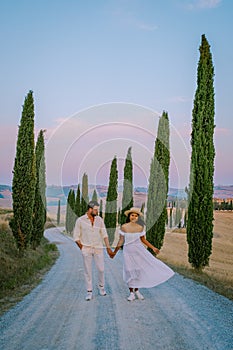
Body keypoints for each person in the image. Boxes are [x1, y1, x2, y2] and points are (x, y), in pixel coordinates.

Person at [112, 207, 174, 301]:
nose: (134, 217)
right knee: (129, 270)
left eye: (136, 216)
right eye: (132, 215)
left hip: (138, 250)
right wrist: (114, 252)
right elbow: (121, 240)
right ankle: (131, 293)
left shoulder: (140, 227)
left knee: (138, 270)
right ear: (129, 216)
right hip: (128, 251)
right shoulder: (124, 227)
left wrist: (153, 247)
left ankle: (137, 290)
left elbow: (143, 240)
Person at [73, 200, 114, 300]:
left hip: (98, 248)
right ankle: (89, 291)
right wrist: (82, 248)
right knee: (88, 270)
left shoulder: (99, 220)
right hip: (86, 249)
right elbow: (76, 237)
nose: (97, 211)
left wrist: (108, 248)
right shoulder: (80, 220)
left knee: (101, 269)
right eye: (96, 210)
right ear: (90, 209)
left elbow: (104, 235)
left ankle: (101, 287)